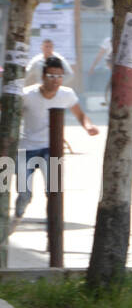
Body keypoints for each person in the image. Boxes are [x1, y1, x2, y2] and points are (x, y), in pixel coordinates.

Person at [14, 58, 98, 223]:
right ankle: (16, 217)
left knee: (53, 193)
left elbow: (80, 114)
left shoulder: (67, 94)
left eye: (59, 76)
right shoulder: (28, 95)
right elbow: (12, 113)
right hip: (27, 148)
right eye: (51, 76)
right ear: (43, 76)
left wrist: (88, 127)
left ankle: (52, 231)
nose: (55, 80)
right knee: (24, 193)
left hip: (51, 149)